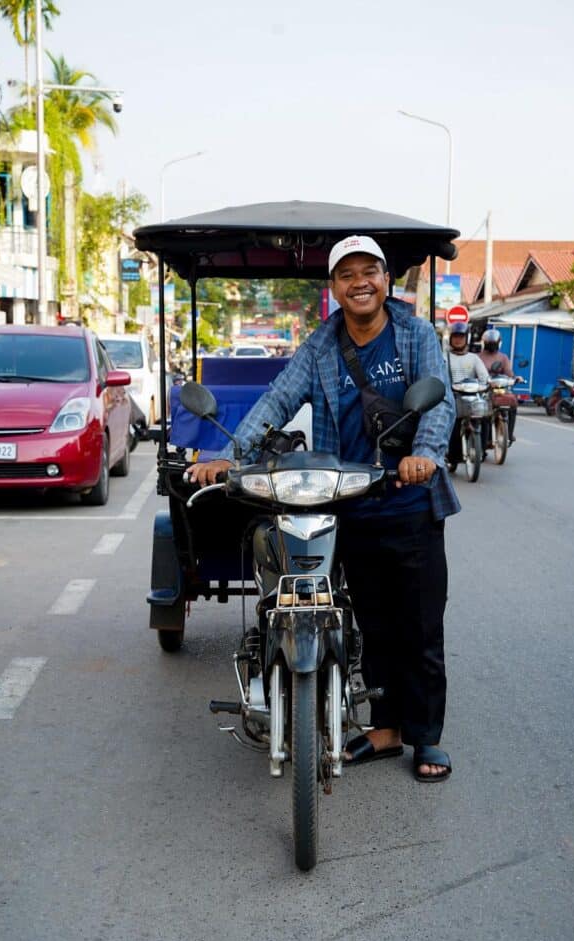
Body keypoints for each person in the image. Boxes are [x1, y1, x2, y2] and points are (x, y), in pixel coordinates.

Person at [188, 234, 460, 781]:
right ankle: (384, 731)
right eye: (346, 274)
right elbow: (276, 401)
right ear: (334, 287)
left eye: (369, 272)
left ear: (385, 280)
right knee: (373, 624)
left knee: (421, 628)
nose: (359, 282)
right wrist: (227, 456)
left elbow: (439, 400)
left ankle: (426, 738)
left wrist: (424, 456)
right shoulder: (321, 346)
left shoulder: (416, 333)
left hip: (408, 500)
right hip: (349, 502)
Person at [445, 322, 489, 462]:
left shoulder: (474, 358)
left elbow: (484, 377)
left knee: (485, 416)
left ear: (467, 338)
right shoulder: (444, 357)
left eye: (461, 336)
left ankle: (482, 448)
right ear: (450, 339)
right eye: (455, 336)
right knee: (452, 425)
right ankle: (451, 454)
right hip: (451, 397)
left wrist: (488, 383)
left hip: (471, 397)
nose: (458, 340)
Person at [478, 327, 520, 443]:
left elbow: (509, 373)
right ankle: (483, 440)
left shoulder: (503, 357)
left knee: (512, 402)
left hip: (499, 390)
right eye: (489, 343)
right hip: (483, 391)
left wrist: (515, 378)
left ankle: (509, 434)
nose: (491, 345)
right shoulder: (478, 357)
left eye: (493, 343)